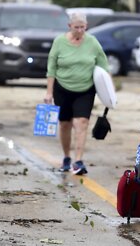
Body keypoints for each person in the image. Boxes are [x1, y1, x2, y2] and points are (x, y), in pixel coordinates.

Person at [44, 12, 109, 175]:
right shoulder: (59, 42)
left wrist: (108, 92)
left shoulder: (93, 43)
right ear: (69, 26)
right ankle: (66, 157)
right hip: (62, 88)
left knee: (81, 123)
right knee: (65, 124)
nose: (80, 30)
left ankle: (78, 160)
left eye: (83, 27)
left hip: (85, 90)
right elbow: (51, 68)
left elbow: (103, 67)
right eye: (76, 27)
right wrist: (49, 92)